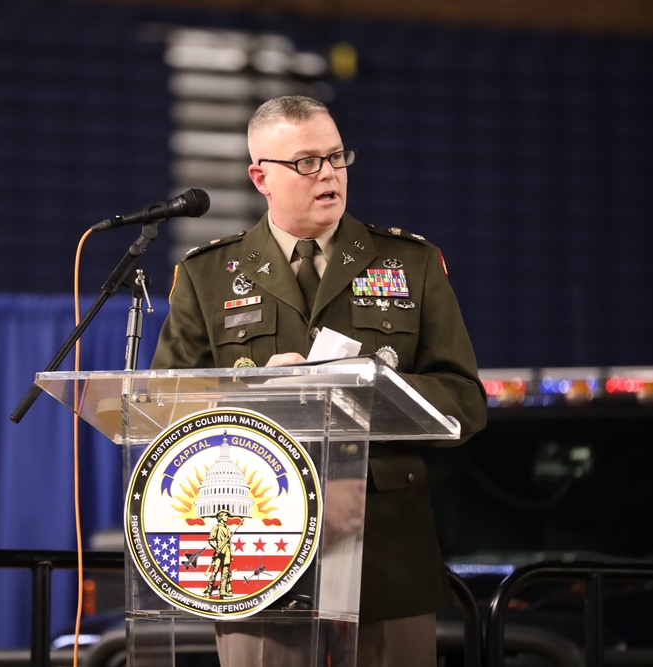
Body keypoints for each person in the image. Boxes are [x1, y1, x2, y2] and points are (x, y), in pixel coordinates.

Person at [151, 95, 488, 666]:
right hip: (260, 551)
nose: (328, 173)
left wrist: (368, 392)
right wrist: (256, 393)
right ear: (261, 176)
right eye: (306, 161)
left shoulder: (410, 263)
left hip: (384, 552)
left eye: (337, 156)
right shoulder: (207, 275)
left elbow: (465, 401)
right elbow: (163, 408)